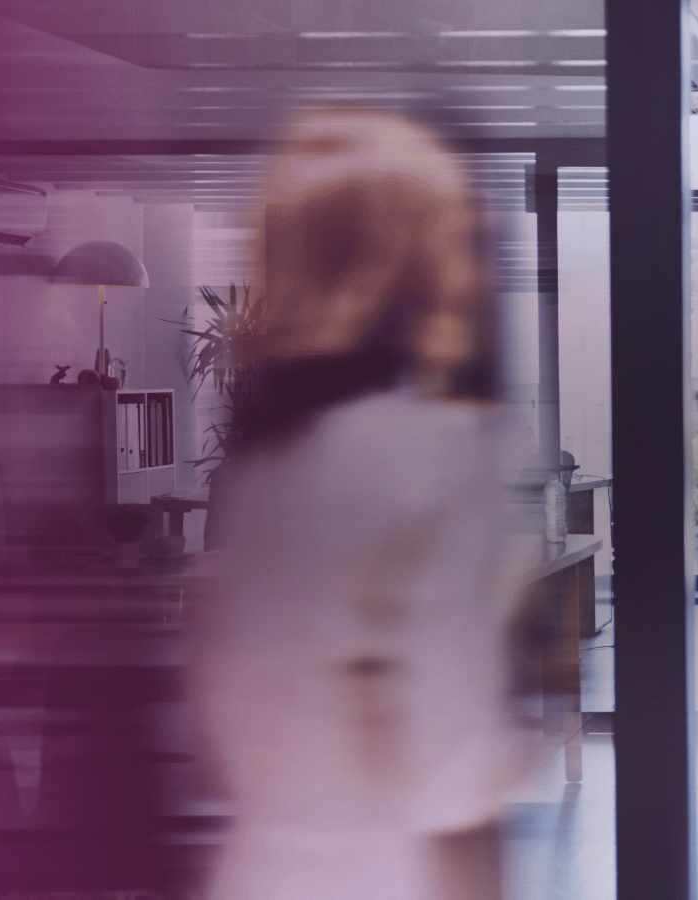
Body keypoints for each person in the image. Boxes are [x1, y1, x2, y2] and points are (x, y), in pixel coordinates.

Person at [190, 108, 543, 900]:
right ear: (402, 262)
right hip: (385, 873)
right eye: (456, 241)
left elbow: (220, 729)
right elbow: (448, 771)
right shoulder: (430, 454)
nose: (474, 275)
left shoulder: (263, 464)